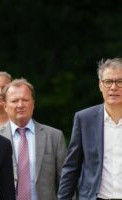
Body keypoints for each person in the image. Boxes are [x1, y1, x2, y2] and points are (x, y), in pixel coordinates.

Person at [58, 58, 122, 200]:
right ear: (100, 85)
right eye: (108, 82)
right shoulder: (84, 119)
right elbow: (71, 169)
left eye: (120, 82)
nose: (113, 87)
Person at [0, 78, 67, 200]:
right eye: (15, 101)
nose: (20, 105)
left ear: (33, 103)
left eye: (25, 100)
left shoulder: (54, 136)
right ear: (5, 106)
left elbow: (65, 182)